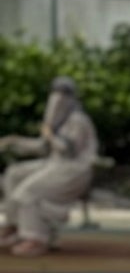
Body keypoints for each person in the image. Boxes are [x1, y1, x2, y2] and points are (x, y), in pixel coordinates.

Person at [0, 76, 99, 256]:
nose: (57, 98)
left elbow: (68, 149)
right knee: (14, 174)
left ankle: (35, 238)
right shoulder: (58, 121)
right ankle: (14, 224)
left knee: (28, 192)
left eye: (63, 93)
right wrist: (13, 141)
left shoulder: (78, 120)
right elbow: (42, 146)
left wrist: (50, 134)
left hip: (74, 170)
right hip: (56, 164)